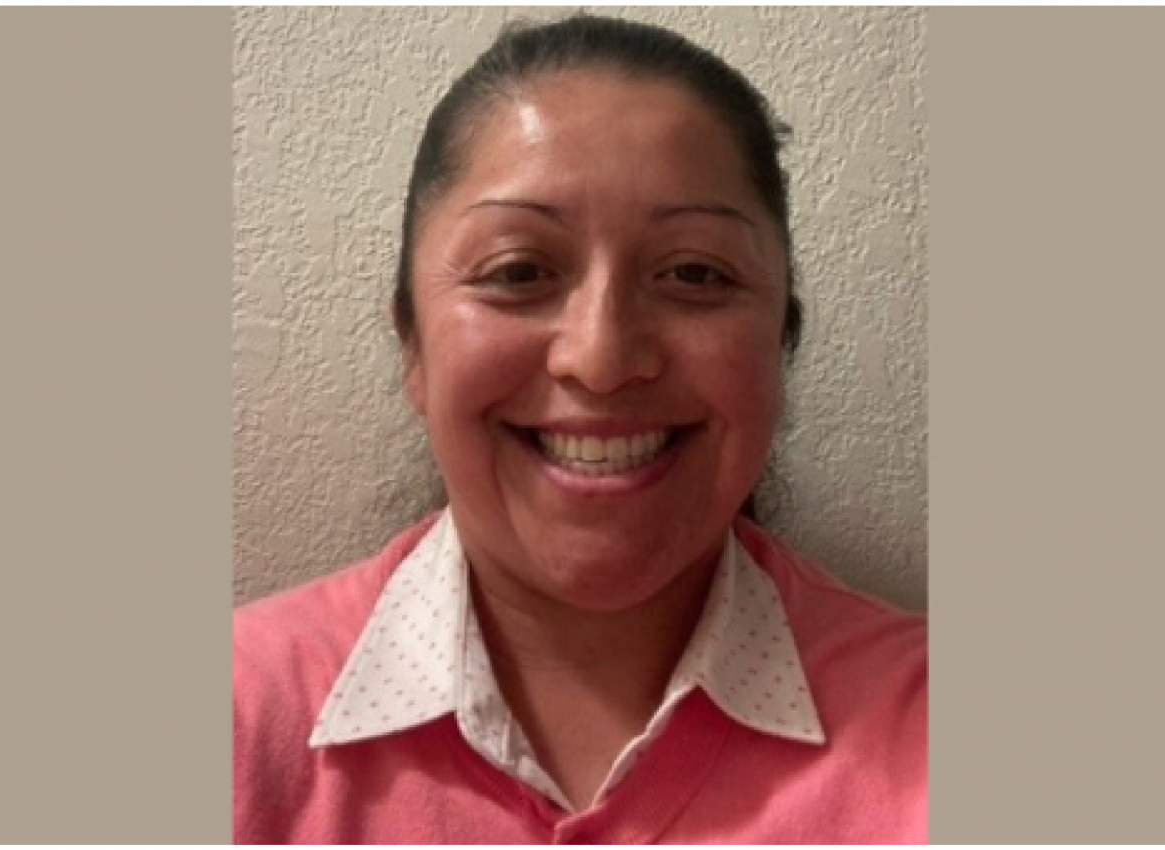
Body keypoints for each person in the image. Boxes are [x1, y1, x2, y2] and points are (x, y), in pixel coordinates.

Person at [233, 13, 926, 845]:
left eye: (694, 272)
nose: (601, 359)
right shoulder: (239, 715)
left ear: (781, 342)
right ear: (413, 345)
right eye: (518, 271)